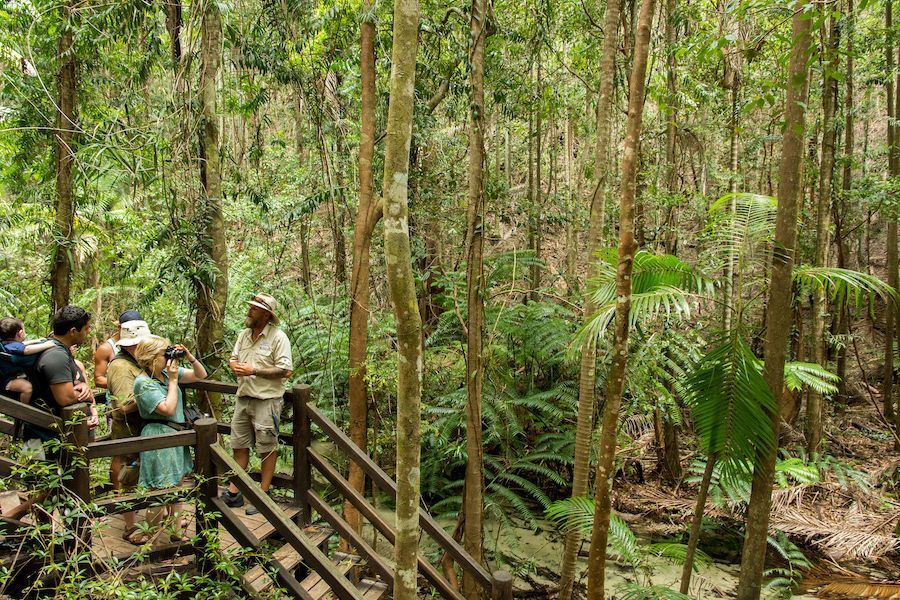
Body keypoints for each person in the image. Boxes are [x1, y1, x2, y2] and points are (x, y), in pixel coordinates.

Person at [220, 293, 292, 515]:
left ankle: (263, 494)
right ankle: (235, 492)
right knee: (239, 444)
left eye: (254, 308)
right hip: (243, 398)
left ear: (266, 314)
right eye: (250, 307)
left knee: (266, 448)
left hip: (266, 401)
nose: (249, 311)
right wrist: (233, 365)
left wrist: (254, 370)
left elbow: (286, 370)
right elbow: (233, 358)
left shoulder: (278, 337)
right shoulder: (244, 335)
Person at [132, 335, 206, 543]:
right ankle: (151, 538)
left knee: (176, 484)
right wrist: (174, 380)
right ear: (152, 358)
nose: (168, 357)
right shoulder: (143, 383)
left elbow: (200, 375)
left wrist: (189, 357)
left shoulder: (166, 373)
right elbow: (168, 408)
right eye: (165, 354)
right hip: (158, 436)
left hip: (176, 436)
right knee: (159, 489)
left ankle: (175, 532)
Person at [22, 306, 99, 460]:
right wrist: (86, 395)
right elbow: (65, 397)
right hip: (45, 435)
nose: (88, 331)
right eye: (86, 328)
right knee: (41, 473)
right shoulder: (56, 355)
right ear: (73, 331)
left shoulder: (60, 350)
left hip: (55, 433)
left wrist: (82, 385)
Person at [105, 319, 152, 544]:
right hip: (128, 430)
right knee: (129, 477)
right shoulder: (121, 367)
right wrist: (153, 393)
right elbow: (123, 405)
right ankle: (130, 527)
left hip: (139, 429)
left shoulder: (136, 362)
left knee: (140, 474)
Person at [0, 317, 58, 404]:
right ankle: (23, 408)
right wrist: (47, 345)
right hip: (6, 381)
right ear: (20, 333)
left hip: (6, 376)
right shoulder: (14, 346)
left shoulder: (6, 344)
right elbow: (26, 350)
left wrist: (36, 341)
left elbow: (21, 345)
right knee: (27, 387)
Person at [94, 310, 142, 389]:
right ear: (120, 327)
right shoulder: (106, 349)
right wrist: (124, 382)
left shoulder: (144, 343)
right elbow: (99, 379)